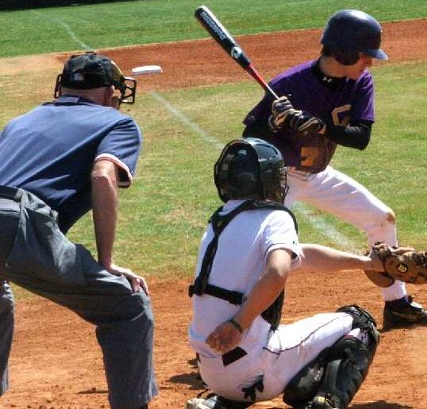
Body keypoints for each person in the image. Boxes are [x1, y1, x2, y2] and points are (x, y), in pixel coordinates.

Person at [241, 9, 427, 330]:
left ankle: (398, 306)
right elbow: (249, 138)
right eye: (365, 56)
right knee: (270, 254)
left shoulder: (360, 81)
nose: (369, 63)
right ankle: (245, 324)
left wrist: (322, 127)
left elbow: (361, 137)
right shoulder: (288, 85)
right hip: (281, 178)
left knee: (381, 218)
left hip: (317, 173)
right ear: (345, 52)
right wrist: (273, 122)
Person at [0, 52, 158, 408]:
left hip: (10, 219)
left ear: (62, 87)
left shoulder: (20, 122)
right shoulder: (117, 122)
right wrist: (107, 261)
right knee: (128, 306)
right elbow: (103, 176)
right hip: (19, 224)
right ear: (109, 93)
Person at [187, 137, 383, 409]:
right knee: (360, 323)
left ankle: (224, 403)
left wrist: (368, 263)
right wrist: (239, 324)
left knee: (258, 334)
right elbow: (277, 272)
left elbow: (302, 256)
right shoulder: (275, 216)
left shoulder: (220, 219)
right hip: (255, 369)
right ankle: (325, 403)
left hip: (211, 373)